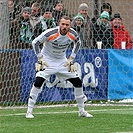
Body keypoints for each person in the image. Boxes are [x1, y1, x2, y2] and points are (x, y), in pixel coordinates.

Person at [26, 16, 93, 119]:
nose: (64, 27)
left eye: (67, 25)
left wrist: (71, 58)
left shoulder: (73, 34)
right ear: (59, 24)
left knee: (78, 83)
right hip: (47, 61)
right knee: (38, 82)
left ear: (70, 26)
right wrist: (40, 58)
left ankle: (82, 111)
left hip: (62, 62)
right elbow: (35, 42)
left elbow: (78, 43)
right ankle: (29, 112)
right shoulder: (50, 33)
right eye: (62, 24)